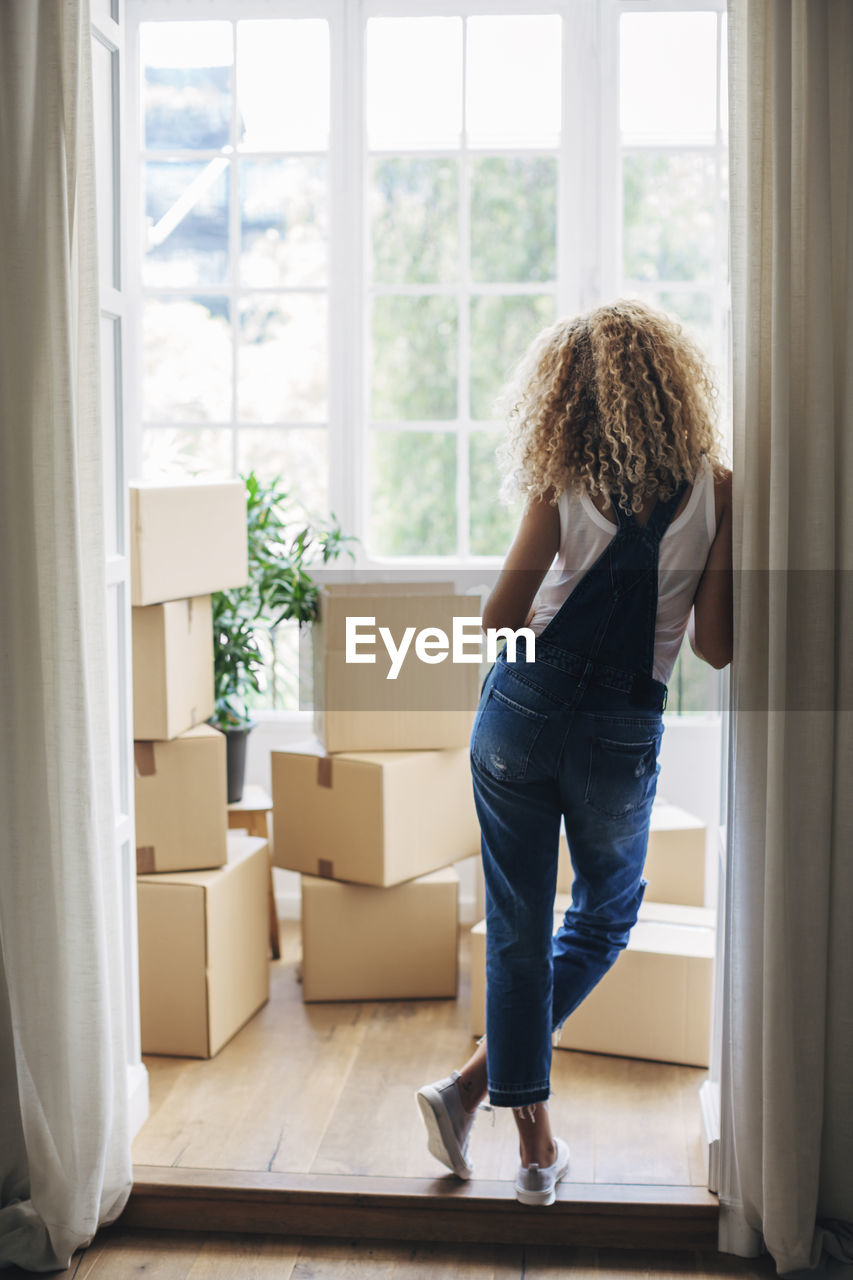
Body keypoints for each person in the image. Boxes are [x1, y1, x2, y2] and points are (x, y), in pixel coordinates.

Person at [415, 298, 733, 1207]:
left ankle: (513, 1129)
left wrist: (538, 695)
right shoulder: (717, 487)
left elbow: (498, 622)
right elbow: (714, 646)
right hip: (621, 727)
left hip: (522, 706)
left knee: (517, 929)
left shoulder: (562, 483)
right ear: (675, 386)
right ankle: (491, 1110)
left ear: (569, 396)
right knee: (600, 916)